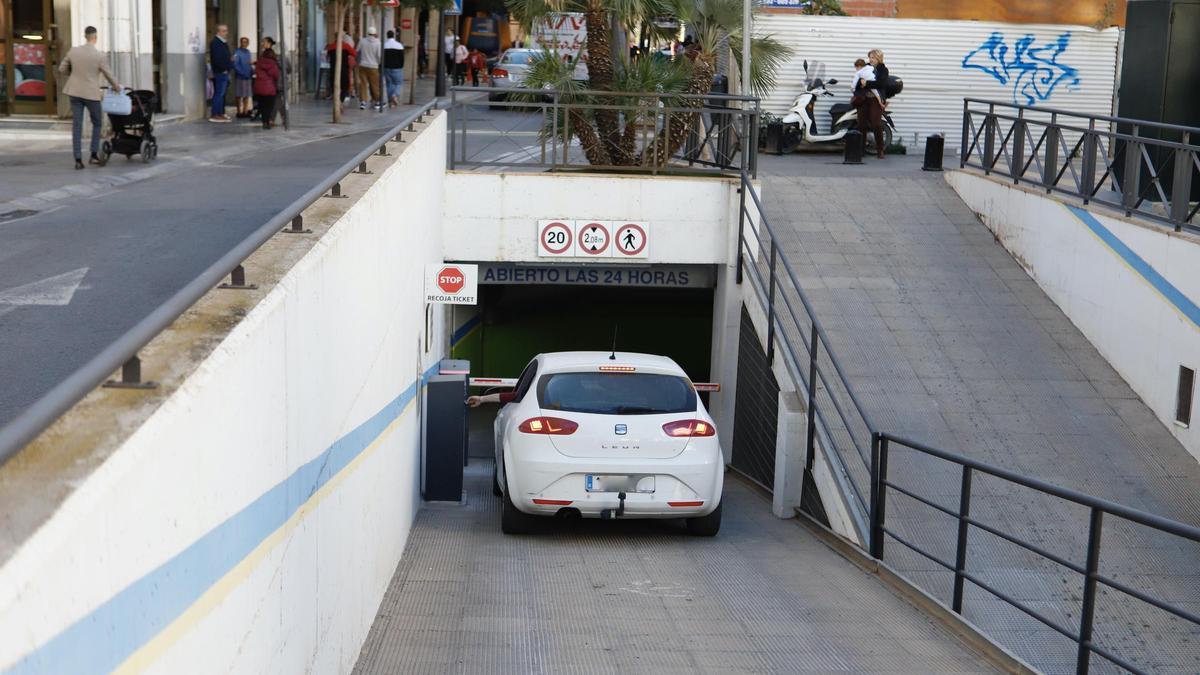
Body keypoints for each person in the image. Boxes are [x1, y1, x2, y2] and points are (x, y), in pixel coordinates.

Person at [58, 25, 119, 169]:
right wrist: (116, 87)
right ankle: (93, 155)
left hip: (74, 91)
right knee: (97, 123)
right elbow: (108, 74)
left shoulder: (74, 51)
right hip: (91, 93)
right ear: (95, 38)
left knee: (77, 126)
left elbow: (62, 69)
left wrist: (73, 76)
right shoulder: (99, 56)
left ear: (85, 36)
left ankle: (78, 160)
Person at [862, 49, 890, 159]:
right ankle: (860, 150)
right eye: (870, 57)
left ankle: (880, 150)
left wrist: (867, 83)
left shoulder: (883, 70)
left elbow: (881, 83)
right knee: (861, 124)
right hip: (864, 98)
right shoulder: (865, 68)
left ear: (879, 58)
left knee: (876, 124)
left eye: (873, 57)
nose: (870, 60)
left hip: (876, 99)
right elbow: (860, 81)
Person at [252, 47, 281, 129]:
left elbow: (256, 72)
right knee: (269, 106)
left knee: (262, 106)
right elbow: (276, 75)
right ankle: (267, 122)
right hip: (270, 88)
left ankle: (264, 121)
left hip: (259, 88)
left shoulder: (259, 62)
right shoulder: (273, 64)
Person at [209, 24, 232, 122]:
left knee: (222, 94)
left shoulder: (223, 42)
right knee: (219, 94)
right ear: (218, 32)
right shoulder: (216, 43)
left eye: (226, 30)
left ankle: (221, 113)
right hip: (221, 71)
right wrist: (224, 68)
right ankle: (215, 114)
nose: (226, 33)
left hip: (224, 71)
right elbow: (217, 58)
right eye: (224, 31)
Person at [325, 33, 357, 105]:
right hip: (344, 70)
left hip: (333, 70)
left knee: (334, 86)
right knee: (345, 86)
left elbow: (327, 57)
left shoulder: (331, 47)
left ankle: (337, 101)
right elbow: (354, 53)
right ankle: (340, 100)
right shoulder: (346, 46)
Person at [356, 26, 382, 111]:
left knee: (363, 84)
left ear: (367, 33)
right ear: (375, 34)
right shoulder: (378, 43)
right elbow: (379, 55)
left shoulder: (362, 41)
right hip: (373, 66)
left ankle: (363, 102)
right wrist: (378, 63)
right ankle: (377, 101)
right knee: (374, 84)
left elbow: (357, 51)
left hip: (363, 65)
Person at [232, 36, 254, 118]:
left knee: (247, 95)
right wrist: (240, 72)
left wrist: (251, 71)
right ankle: (239, 111)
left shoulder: (248, 52)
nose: (244, 44)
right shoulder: (237, 52)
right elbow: (235, 64)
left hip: (248, 76)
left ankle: (245, 111)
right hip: (240, 76)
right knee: (239, 94)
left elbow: (249, 63)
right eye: (242, 42)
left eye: (246, 42)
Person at [383, 30, 405, 107]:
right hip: (397, 68)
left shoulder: (384, 45)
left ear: (387, 36)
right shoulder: (399, 45)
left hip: (387, 67)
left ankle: (390, 101)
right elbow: (402, 58)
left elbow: (382, 58)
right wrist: (401, 66)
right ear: (394, 35)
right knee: (398, 83)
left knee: (389, 84)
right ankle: (395, 95)